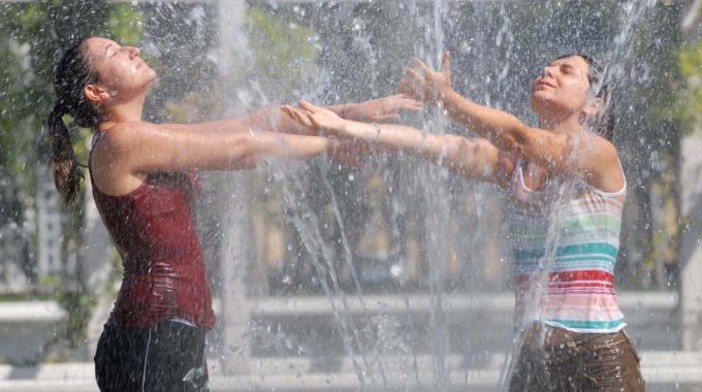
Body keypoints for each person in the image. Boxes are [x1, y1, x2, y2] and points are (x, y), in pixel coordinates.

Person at [47, 35, 420, 392]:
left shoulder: (140, 135)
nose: (132, 49)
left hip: (168, 330)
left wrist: (348, 114)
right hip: (152, 335)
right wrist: (330, 143)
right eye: (113, 52)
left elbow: (250, 125)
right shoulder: (121, 142)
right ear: (96, 92)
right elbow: (242, 149)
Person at [282, 52, 645, 391]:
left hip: (597, 356)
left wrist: (448, 100)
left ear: (593, 103)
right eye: (547, 68)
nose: (548, 72)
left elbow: (518, 136)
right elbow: (433, 144)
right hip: (532, 357)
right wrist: (347, 128)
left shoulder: (600, 157)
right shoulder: (515, 168)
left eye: (566, 71)